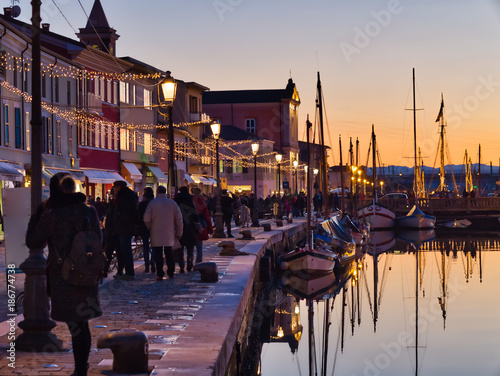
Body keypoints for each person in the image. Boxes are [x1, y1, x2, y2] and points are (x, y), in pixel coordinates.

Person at [26, 173, 102, 376]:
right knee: (81, 323)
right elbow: (98, 239)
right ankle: (81, 367)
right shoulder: (90, 211)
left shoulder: (52, 215)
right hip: (87, 273)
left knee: (74, 322)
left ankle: (80, 370)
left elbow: (33, 241)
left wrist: (39, 211)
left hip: (64, 277)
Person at [144, 185, 183, 280]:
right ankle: (171, 271)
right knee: (169, 252)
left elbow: (146, 218)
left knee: (158, 253)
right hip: (169, 232)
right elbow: (179, 219)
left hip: (155, 231)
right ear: (165, 192)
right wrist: (179, 232)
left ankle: (160, 273)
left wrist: (150, 227)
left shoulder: (152, 203)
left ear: (157, 192)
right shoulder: (172, 203)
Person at [112, 180, 139, 281]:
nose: (113, 189)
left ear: (119, 187)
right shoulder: (126, 196)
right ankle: (123, 271)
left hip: (124, 227)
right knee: (122, 250)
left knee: (125, 250)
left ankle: (129, 272)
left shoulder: (124, 197)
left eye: (114, 187)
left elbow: (127, 213)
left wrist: (120, 218)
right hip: (123, 227)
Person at [175, 186, 200, 271]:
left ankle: (181, 265)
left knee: (180, 248)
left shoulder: (176, 201)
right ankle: (190, 261)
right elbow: (196, 217)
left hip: (179, 227)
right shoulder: (190, 201)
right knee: (190, 248)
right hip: (190, 228)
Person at [192, 187, 213, 264]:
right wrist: (210, 229)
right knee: (199, 245)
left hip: (190, 225)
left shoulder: (190, 201)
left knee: (189, 246)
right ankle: (198, 261)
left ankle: (189, 260)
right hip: (200, 225)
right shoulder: (202, 202)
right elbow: (207, 217)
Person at [137, 187, 155, 273]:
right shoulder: (154, 204)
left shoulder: (141, 204)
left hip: (143, 227)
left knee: (145, 247)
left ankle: (147, 264)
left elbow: (138, 217)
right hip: (154, 227)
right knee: (155, 246)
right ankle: (153, 262)